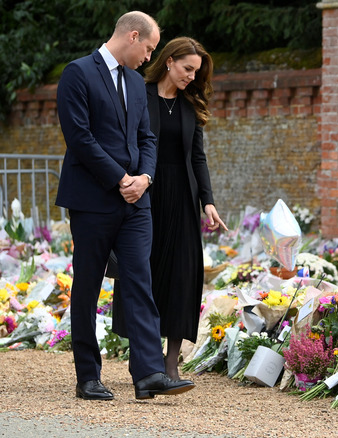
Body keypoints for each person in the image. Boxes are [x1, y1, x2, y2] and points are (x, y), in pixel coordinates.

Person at [56, 11, 194, 400]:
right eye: (149, 48)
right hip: (92, 200)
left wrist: (145, 179)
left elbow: (147, 138)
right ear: (133, 36)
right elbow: (79, 138)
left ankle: (149, 373)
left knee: (139, 281)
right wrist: (120, 179)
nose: (149, 58)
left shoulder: (135, 82)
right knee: (87, 285)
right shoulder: (78, 73)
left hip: (137, 202)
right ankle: (88, 376)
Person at [112, 37, 227, 380]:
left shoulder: (191, 104)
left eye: (196, 71)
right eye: (187, 68)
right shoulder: (138, 94)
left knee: (182, 275)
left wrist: (208, 201)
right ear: (168, 61)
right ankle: (141, 359)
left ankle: (171, 363)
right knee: (142, 274)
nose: (192, 77)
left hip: (184, 201)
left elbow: (197, 156)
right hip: (144, 197)